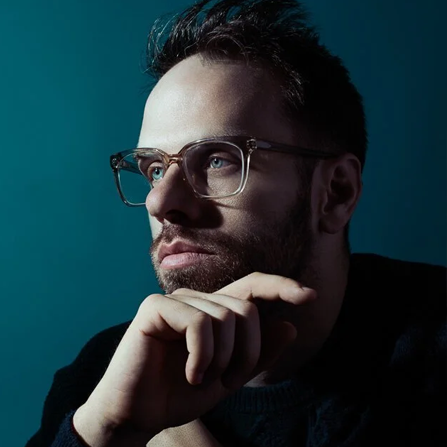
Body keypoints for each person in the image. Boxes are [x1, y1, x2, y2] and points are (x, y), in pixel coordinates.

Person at [25, 0, 446, 446]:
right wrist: (106, 432)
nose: (159, 202)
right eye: (154, 170)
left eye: (217, 160)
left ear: (335, 192)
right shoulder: (102, 381)